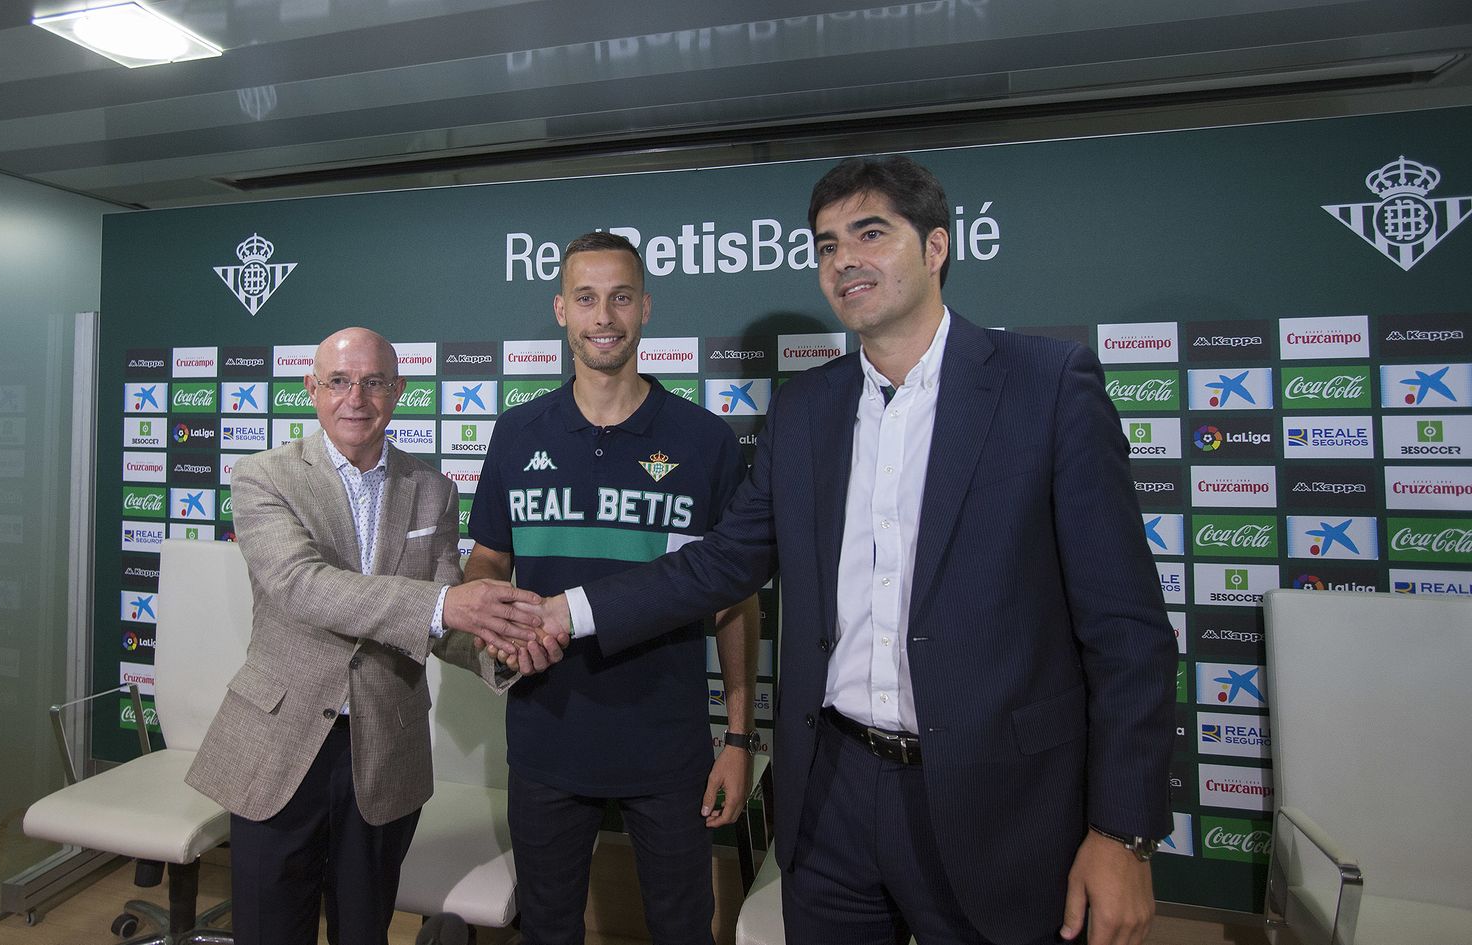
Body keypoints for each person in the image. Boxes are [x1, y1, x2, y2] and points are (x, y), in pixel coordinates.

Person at [519, 158, 1175, 945]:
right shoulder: (806, 411)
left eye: (871, 234)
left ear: (936, 247)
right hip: (831, 797)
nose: (844, 260)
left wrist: (1124, 831)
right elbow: (723, 562)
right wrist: (567, 610)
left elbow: (1128, 630)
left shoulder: (1048, 386)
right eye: (827, 245)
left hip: (992, 802)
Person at [185, 327, 545, 945]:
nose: (357, 398)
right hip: (279, 742)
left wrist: (506, 647)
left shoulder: (431, 488)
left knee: (364, 928)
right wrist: (446, 602)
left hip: (387, 746)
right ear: (312, 390)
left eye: (374, 382)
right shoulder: (263, 477)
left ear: (398, 390)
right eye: (340, 382)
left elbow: (441, 626)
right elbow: (301, 585)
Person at [464, 232, 761, 945]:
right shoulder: (515, 433)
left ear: (646, 308)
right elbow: (485, 566)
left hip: (667, 745)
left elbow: (735, 597)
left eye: (621, 297)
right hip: (545, 736)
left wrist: (740, 736)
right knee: (548, 929)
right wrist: (497, 627)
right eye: (588, 298)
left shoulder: (705, 440)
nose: (605, 315)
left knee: (685, 928)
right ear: (562, 308)